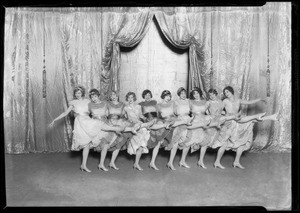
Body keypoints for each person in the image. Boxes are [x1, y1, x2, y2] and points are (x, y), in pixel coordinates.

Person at [48, 86, 124, 173]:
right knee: (87, 141)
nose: (77, 94)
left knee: (90, 142)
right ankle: (115, 129)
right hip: (80, 123)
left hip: (88, 121)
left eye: (79, 93)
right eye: (76, 93)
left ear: (82, 93)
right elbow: (65, 113)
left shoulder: (88, 101)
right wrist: (55, 119)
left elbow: (96, 107)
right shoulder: (73, 103)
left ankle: (85, 165)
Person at [212, 86, 278, 169]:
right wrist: (226, 115)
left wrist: (260, 99)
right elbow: (219, 111)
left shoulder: (238, 100)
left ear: (232, 92)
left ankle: (236, 162)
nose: (226, 94)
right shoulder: (225, 101)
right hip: (229, 122)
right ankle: (217, 162)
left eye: (227, 92)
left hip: (238, 122)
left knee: (242, 143)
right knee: (224, 144)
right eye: (225, 93)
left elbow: (249, 102)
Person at [156, 90, 192, 170]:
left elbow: (175, 113)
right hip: (166, 122)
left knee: (185, 140)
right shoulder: (158, 105)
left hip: (174, 121)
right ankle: (170, 163)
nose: (168, 98)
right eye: (166, 96)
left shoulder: (172, 103)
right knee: (175, 141)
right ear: (163, 96)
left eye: (169, 96)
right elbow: (159, 117)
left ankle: (179, 161)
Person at [139, 89, 173, 170]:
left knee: (159, 138)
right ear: (143, 96)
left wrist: (158, 119)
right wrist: (144, 119)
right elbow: (139, 114)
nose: (147, 96)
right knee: (157, 133)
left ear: (151, 95)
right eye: (146, 95)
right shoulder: (140, 104)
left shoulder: (154, 102)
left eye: (149, 95)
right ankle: (164, 130)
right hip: (147, 120)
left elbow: (158, 113)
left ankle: (152, 162)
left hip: (156, 119)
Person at [106, 90, 140, 170]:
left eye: (115, 95)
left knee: (136, 143)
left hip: (128, 124)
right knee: (117, 142)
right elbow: (107, 114)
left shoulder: (126, 105)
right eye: (111, 95)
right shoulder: (121, 106)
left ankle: (136, 163)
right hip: (119, 124)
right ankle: (110, 162)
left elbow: (125, 116)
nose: (113, 96)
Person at [124, 92, 156, 170]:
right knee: (142, 129)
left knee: (142, 144)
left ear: (134, 98)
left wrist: (145, 119)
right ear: (127, 99)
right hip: (131, 125)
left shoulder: (138, 106)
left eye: (132, 97)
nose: (130, 99)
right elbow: (124, 117)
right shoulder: (125, 108)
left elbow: (141, 116)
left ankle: (136, 164)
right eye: (129, 98)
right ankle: (147, 124)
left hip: (139, 124)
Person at [88, 89, 117, 172]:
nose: (93, 98)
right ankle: (101, 164)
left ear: (98, 96)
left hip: (105, 124)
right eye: (91, 97)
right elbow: (86, 114)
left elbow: (110, 112)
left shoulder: (105, 103)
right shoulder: (90, 105)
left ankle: (101, 164)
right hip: (96, 125)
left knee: (106, 145)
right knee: (102, 145)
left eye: (95, 96)